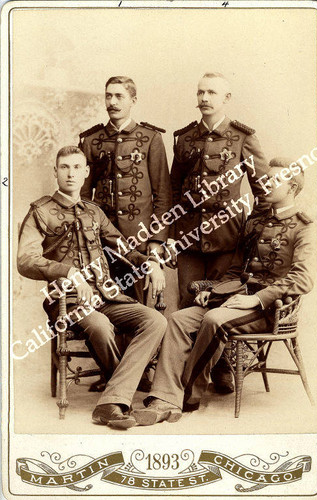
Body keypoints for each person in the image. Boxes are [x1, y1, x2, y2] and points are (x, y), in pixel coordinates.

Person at [133, 158, 314, 426]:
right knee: (179, 319)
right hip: (235, 298)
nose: (266, 183)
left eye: (276, 180)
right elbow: (235, 270)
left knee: (213, 320)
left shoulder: (305, 226)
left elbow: (303, 278)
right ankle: (163, 395)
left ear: (293, 187)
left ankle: (184, 395)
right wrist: (216, 292)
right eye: (267, 178)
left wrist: (256, 299)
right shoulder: (254, 223)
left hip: (268, 309)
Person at [17, 146, 167, 429]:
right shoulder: (41, 211)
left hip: (107, 295)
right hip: (67, 302)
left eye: (76, 167)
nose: (71, 173)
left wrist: (150, 264)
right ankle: (118, 398)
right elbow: (25, 260)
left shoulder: (94, 213)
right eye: (64, 167)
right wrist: (69, 272)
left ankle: (112, 400)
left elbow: (123, 248)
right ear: (56, 172)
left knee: (155, 320)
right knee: (99, 326)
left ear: (86, 173)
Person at [167, 71, 270, 392]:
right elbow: (173, 191)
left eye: (211, 92)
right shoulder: (184, 139)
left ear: (226, 99)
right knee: (188, 306)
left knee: (221, 305)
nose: (204, 98)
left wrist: (256, 235)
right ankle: (185, 379)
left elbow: (264, 190)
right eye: (200, 92)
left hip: (229, 240)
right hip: (188, 241)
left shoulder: (242, 138)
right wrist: (170, 236)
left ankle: (223, 369)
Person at [79, 75, 172, 303]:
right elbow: (82, 195)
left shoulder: (150, 138)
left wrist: (157, 240)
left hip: (138, 241)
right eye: (108, 96)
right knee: (102, 305)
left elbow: (163, 194)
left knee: (137, 308)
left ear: (133, 100)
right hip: (99, 241)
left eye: (119, 96)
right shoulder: (92, 140)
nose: (112, 102)